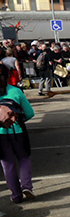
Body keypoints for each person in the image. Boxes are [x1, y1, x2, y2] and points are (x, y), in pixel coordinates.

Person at [0, 68, 35, 203]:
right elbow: (30, 113)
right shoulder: (16, 91)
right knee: (24, 158)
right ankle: (27, 186)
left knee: (7, 164)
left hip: (1, 133)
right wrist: (18, 121)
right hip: (18, 130)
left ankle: (15, 194)